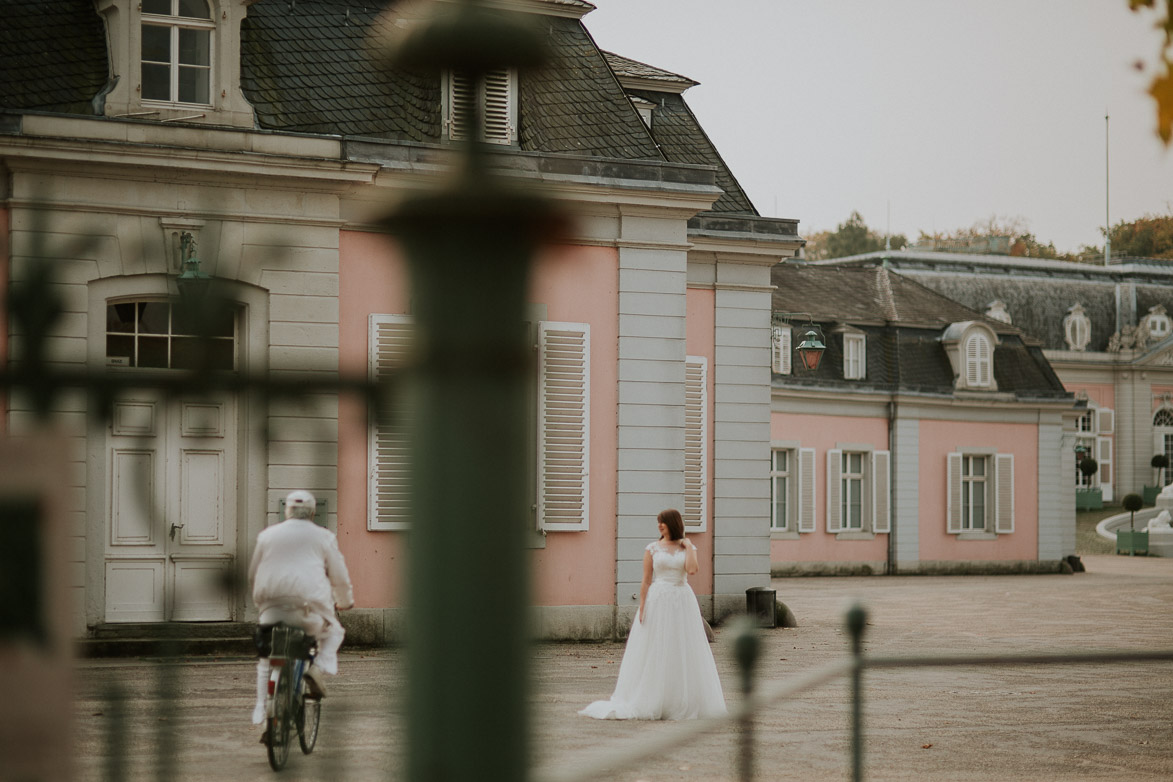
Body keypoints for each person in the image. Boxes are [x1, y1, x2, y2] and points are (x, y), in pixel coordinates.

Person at [579, 509, 726, 720]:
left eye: (663, 522)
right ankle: (653, 695)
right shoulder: (652, 548)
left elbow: (692, 570)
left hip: (682, 599)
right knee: (656, 644)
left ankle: (681, 697)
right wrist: (642, 605)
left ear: (672, 524)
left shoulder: (687, 547)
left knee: (683, 645)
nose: (659, 526)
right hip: (658, 598)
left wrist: (689, 546)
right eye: (658, 522)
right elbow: (646, 580)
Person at [248, 490, 354, 725]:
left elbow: (253, 573)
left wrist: (261, 604)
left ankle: (260, 708)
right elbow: (338, 575)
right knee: (334, 631)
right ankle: (318, 667)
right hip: (308, 608)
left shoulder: (267, 535)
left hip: (271, 607)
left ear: (287, 510)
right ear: (313, 512)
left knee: (266, 659)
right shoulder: (323, 537)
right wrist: (344, 600)